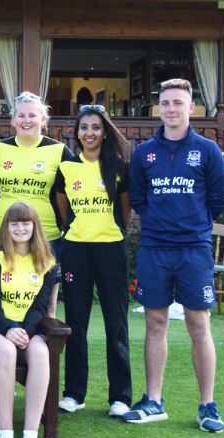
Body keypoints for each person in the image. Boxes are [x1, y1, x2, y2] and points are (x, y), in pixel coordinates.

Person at [124, 79, 224, 432]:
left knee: (199, 325)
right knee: (155, 323)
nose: (171, 109)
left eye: (177, 103)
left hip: (193, 250)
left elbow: (218, 198)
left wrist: (193, 225)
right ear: (159, 109)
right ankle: (154, 400)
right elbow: (139, 199)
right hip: (154, 249)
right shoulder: (144, 153)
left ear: (191, 109)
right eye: (166, 103)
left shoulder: (208, 151)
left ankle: (207, 405)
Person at [55, 104, 133, 417]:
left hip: (111, 249)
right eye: (84, 127)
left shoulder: (118, 164)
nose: (89, 133)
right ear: (77, 132)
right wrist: (78, 229)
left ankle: (120, 397)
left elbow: (125, 212)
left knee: (116, 322)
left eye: (96, 127)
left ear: (104, 131)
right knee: (76, 322)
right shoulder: (67, 168)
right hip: (75, 249)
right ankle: (74, 393)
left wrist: (109, 230)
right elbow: (63, 210)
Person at [0, 202, 59, 438]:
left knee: (41, 353)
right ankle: (5, 436)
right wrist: (8, 329)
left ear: (35, 227)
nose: (21, 228)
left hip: (28, 327)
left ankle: (30, 436)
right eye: (15, 223)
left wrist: (26, 331)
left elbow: (39, 306)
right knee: (7, 351)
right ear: (6, 227)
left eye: (26, 223)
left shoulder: (46, 263)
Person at [0, 91, 73, 317]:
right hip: (1, 232)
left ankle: (45, 351)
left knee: (47, 306)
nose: (27, 121)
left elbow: (71, 190)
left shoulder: (59, 151)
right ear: (12, 120)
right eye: (21, 115)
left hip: (47, 234)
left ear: (43, 120)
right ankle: (2, 345)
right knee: (1, 297)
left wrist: (67, 223)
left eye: (32, 115)